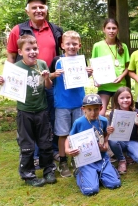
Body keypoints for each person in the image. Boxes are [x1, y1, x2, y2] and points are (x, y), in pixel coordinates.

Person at [6, 0, 63, 165]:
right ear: (27, 11)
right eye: (34, 7)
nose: (38, 10)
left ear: (46, 9)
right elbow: (11, 56)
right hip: (27, 84)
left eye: (41, 7)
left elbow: (62, 55)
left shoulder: (56, 30)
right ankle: (34, 155)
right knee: (30, 119)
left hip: (50, 82)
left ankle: (51, 151)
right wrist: (9, 81)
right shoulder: (18, 30)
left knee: (50, 118)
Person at [0, 35, 56, 187]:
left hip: (42, 111)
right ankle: (28, 175)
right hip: (25, 112)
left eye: (35, 49)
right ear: (20, 51)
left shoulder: (42, 64)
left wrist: (47, 78)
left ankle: (48, 170)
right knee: (27, 144)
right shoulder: (16, 68)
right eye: (28, 49)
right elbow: (7, 84)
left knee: (45, 142)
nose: (32, 52)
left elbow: (48, 87)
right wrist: (2, 81)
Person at [49, 31, 92, 177]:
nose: (71, 46)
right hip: (62, 104)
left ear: (79, 45)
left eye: (74, 44)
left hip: (79, 103)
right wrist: (53, 75)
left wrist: (89, 73)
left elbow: (84, 78)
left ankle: (77, 158)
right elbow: (48, 81)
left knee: (78, 133)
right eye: (68, 43)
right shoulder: (57, 61)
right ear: (62, 45)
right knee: (63, 134)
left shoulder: (81, 60)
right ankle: (62, 160)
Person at [65, 94, 121, 196]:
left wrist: (105, 145)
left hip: (101, 158)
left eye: (96, 109)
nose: (93, 112)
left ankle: (99, 174)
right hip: (86, 161)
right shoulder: (79, 122)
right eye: (89, 109)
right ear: (83, 109)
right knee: (91, 190)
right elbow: (69, 138)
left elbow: (104, 137)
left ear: (101, 108)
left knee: (115, 184)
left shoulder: (103, 121)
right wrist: (67, 150)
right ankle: (81, 173)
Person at [91, 18, 130, 116]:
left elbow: (127, 67)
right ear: (103, 29)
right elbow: (93, 66)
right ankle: (101, 131)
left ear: (118, 30)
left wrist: (121, 76)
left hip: (120, 85)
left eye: (114, 28)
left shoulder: (123, 46)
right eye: (108, 28)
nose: (111, 31)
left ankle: (115, 131)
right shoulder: (97, 46)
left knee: (119, 114)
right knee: (100, 113)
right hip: (104, 85)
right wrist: (95, 79)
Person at [106, 87, 138, 174]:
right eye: (122, 98)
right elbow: (110, 132)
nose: (125, 100)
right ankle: (122, 160)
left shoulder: (136, 112)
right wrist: (109, 130)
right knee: (112, 140)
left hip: (132, 141)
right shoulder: (114, 113)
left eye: (128, 97)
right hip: (119, 141)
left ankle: (128, 154)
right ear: (117, 99)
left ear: (131, 98)